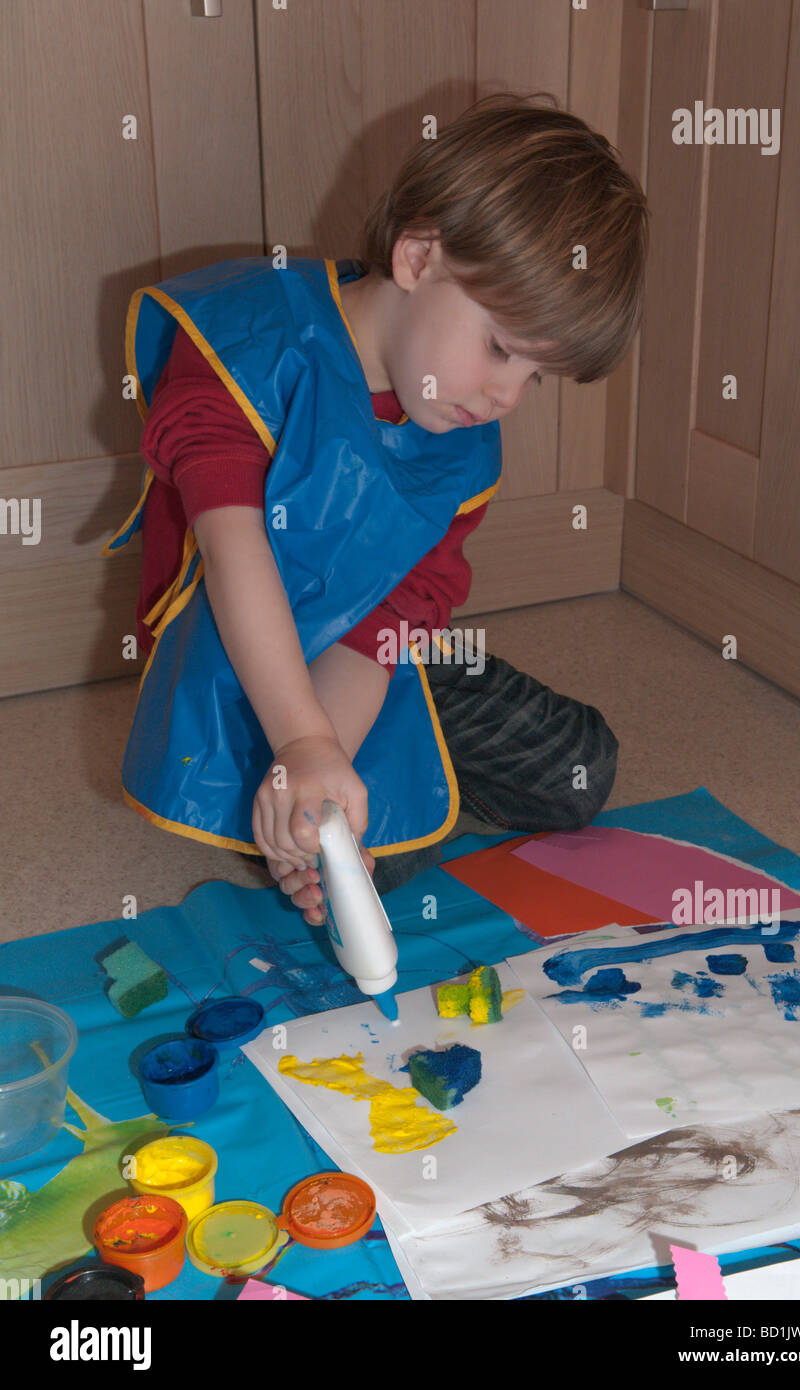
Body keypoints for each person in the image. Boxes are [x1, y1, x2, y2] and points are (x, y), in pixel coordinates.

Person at [105, 92, 648, 928]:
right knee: (388, 866)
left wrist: (331, 760)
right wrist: (299, 747)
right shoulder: (243, 348)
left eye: (535, 376)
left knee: (579, 768)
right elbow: (235, 549)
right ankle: (305, 787)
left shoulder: (460, 439)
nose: (506, 396)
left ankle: (344, 778)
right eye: (501, 347)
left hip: (370, 656)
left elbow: (395, 617)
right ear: (419, 257)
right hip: (234, 654)